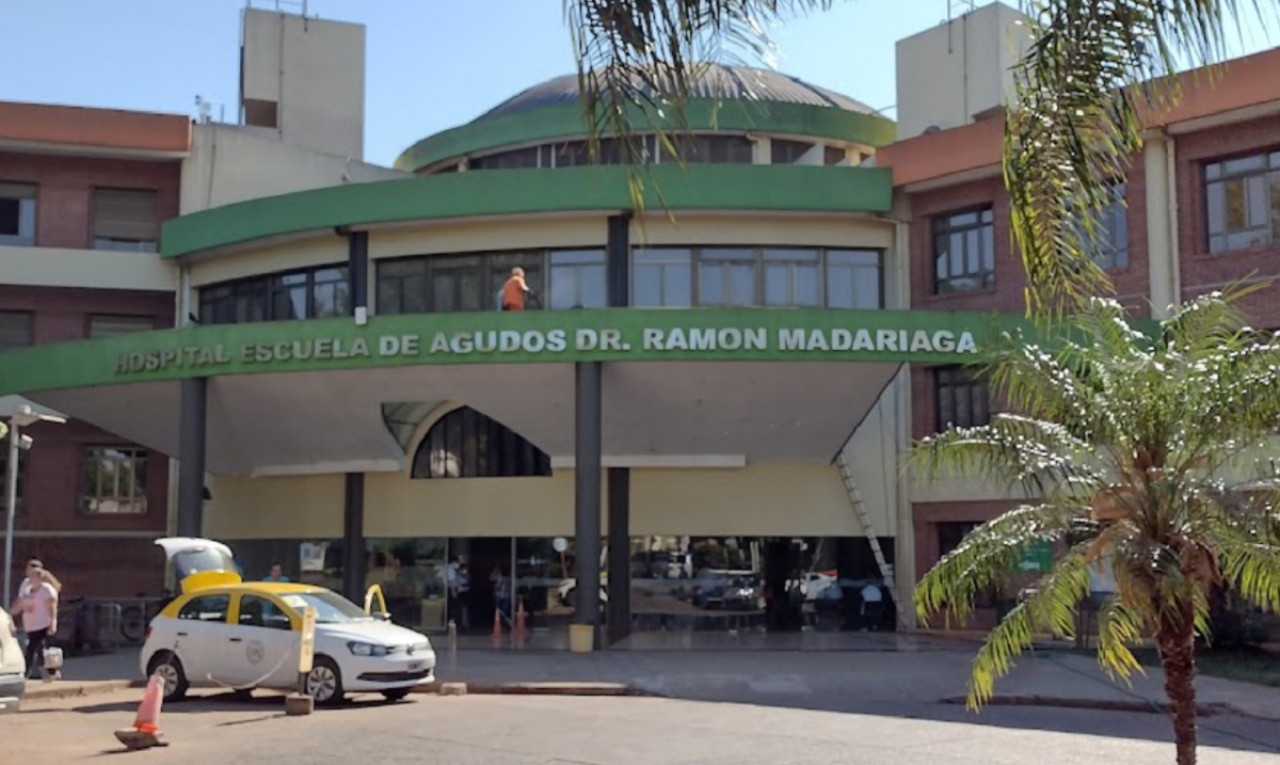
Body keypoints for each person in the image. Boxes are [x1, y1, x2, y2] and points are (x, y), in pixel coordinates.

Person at [12, 562, 59, 680]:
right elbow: (20, 602)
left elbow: (52, 607)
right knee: (42, 651)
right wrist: (12, 613)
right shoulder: (27, 588)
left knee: (31, 649)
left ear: (39, 577)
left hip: (43, 624)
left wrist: (53, 622)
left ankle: (25, 674)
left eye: (33, 576)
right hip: (31, 624)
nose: (30, 578)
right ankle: (53, 672)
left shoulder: (47, 590)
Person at [446, 556, 470, 630]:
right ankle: (453, 624)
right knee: (454, 608)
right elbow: (451, 581)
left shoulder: (455, 570)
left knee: (457, 607)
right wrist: (453, 592)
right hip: (453, 590)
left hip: (457, 590)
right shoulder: (451, 569)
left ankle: (456, 624)